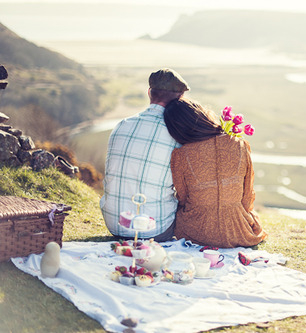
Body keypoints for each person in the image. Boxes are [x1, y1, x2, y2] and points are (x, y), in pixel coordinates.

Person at [163, 98, 267, 248]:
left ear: (176, 129)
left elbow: (183, 197)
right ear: (202, 116)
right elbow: (247, 195)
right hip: (239, 232)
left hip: (195, 231)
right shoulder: (240, 145)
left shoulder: (181, 155)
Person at [100, 68, 189, 241]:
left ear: (149, 93)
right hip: (155, 230)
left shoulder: (121, 125)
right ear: (179, 99)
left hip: (114, 223)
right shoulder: (177, 134)